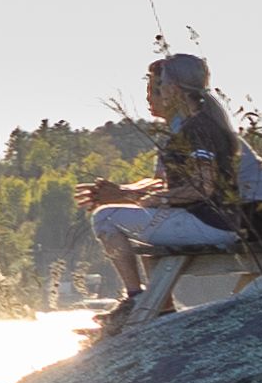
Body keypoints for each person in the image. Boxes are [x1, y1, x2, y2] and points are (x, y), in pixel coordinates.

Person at [76, 52, 250, 333]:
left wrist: (159, 199)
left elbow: (203, 186)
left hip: (210, 223)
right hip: (218, 222)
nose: (159, 91)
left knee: (105, 219)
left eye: (163, 85)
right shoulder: (204, 123)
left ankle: (136, 299)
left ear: (176, 89)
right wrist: (144, 197)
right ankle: (159, 306)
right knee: (142, 223)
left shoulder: (197, 129)